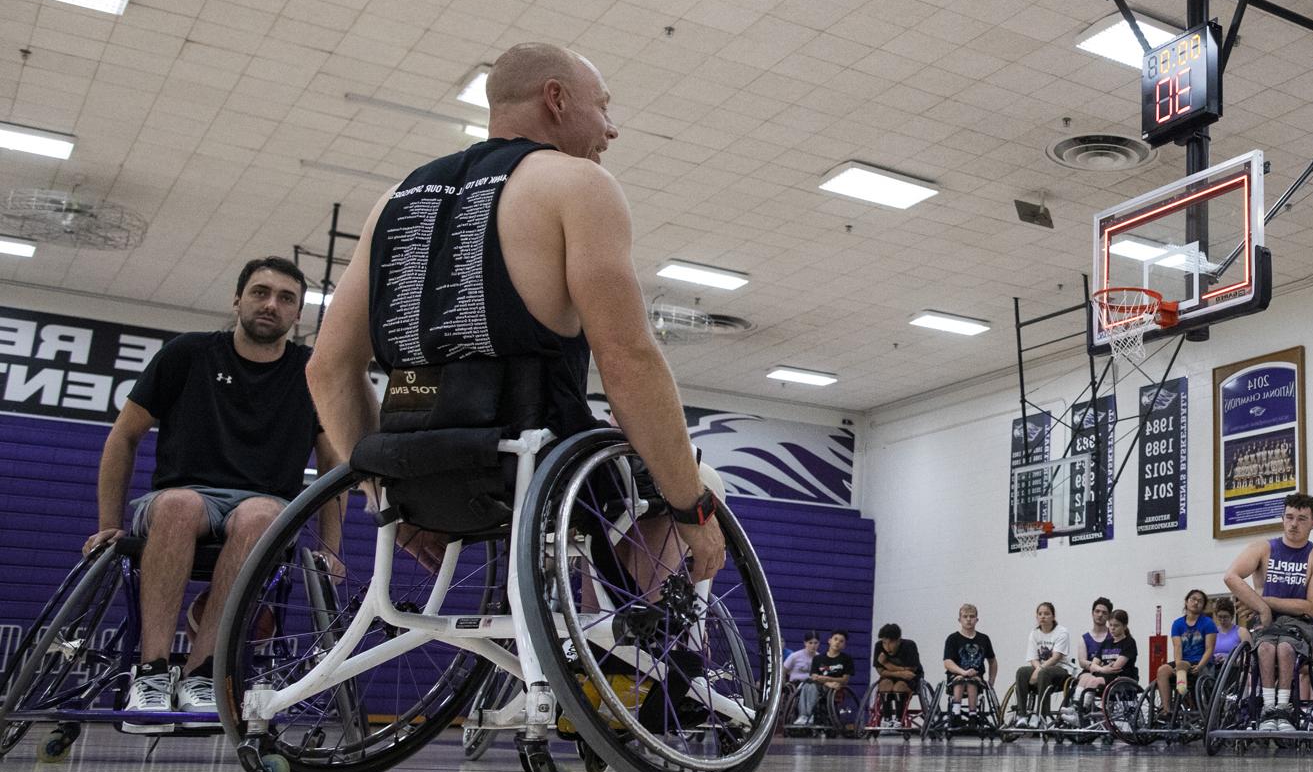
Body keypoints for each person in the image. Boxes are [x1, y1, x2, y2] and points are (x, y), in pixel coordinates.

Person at [308, 44, 726, 618]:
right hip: (527, 465)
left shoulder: (393, 200)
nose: (612, 130)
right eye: (603, 108)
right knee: (701, 478)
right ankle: (628, 650)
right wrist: (693, 510)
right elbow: (627, 358)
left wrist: (385, 496)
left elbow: (327, 367)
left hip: (414, 472)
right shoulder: (576, 184)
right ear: (556, 98)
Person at [84, 256, 338, 732]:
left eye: (286, 299)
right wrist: (107, 524)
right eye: (261, 292)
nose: (271, 304)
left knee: (260, 514)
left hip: (264, 506)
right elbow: (123, 437)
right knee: (181, 504)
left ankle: (203, 673)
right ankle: (153, 672)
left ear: (298, 315)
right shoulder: (188, 353)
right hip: (179, 499)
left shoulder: (311, 373)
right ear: (237, 299)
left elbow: (332, 466)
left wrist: (331, 548)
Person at [1222, 493, 1313, 732]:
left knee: (1285, 647)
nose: (1294, 524)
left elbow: (1312, 607)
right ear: (1282, 518)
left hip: (1300, 623)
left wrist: (1262, 601)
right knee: (1265, 647)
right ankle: (1267, 709)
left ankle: (1282, 709)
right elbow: (1230, 576)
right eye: (1290, 517)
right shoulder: (1263, 548)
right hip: (1267, 621)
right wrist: (1262, 608)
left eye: (1302, 519)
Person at [1011, 602, 1073, 727]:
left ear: (1053, 617)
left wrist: (1039, 670)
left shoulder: (1062, 632)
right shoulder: (1034, 633)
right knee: (1022, 672)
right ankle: (1022, 715)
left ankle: (1040, 715)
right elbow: (1032, 658)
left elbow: (1056, 657)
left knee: (1044, 672)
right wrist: (1038, 668)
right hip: (1041, 669)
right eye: (1040, 614)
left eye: (1046, 614)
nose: (1043, 616)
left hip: (1061, 670)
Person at [1164, 590, 1218, 714]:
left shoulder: (1208, 623)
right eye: (1193, 599)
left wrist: (1200, 666)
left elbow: (1210, 648)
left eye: (1200, 601)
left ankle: (1182, 691)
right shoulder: (1177, 624)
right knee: (1162, 671)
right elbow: (1177, 647)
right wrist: (1178, 665)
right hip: (1183, 661)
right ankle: (1167, 710)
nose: (1196, 602)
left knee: (1183, 665)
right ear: (1186, 601)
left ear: (1203, 606)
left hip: (1201, 661)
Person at [1075, 610, 1139, 712]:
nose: (1112, 628)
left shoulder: (1129, 643)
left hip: (1121, 678)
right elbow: (1093, 665)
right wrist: (1102, 669)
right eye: (1110, 625)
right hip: (1104, 674)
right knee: (1084, 677)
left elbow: (1116, 668)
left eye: (1116, 626)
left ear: (1124, 626)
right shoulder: (1107, 642)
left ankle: (1082, 710)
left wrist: (1100, 668)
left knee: (1094, 680)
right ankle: (1075, 707)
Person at [940, 603, 998, 716]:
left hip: (976, 676)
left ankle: (973, 714)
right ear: (959, 619)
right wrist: (963, 672)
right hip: (956, 675)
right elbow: (947, 662)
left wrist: (991, 681)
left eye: (972, 616)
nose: (968, 619)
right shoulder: (953, 638)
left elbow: (992, 661)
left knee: (972, 680)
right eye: (965, 616)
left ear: (977, 619)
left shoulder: (984, 639)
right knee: (961, 679)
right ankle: (956, 713)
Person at [872, 623, 923, 729]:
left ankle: (899, 719)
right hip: (892, 677)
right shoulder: (878, 646)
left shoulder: (909, 645)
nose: (887, 647)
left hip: (912, 678)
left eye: (891, 643)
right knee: (885, 684)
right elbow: (881, 671)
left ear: (899, 640)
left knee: (899, 686)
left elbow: (911, 670)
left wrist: (886, 664)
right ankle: (887, 718)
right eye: (885, 643)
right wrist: (900, 672)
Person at [811, 630, 854, 727]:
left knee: (828, 687)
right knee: (808, 686)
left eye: (841, 641)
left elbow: (845, 680)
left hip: (837, 688)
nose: (837, 642)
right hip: (820, 686)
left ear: (844, 646)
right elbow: (814, 676)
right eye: (835, 639)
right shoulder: (818, 658)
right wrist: (828, 683)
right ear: (829, 641)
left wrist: (825, 678)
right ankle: (804, 716)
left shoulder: (847, 659)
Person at [784, 631, 821, 726]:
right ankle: (804, 715)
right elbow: (783, 671)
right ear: (805, 643)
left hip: (813, 684)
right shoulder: (795, 656)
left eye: (816, 643)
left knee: (811, 686)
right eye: (810, 643)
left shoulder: (819, 657)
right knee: (805, 686)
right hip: (796, 684)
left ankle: (809, 715)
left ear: (819, 644)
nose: (813, 646)